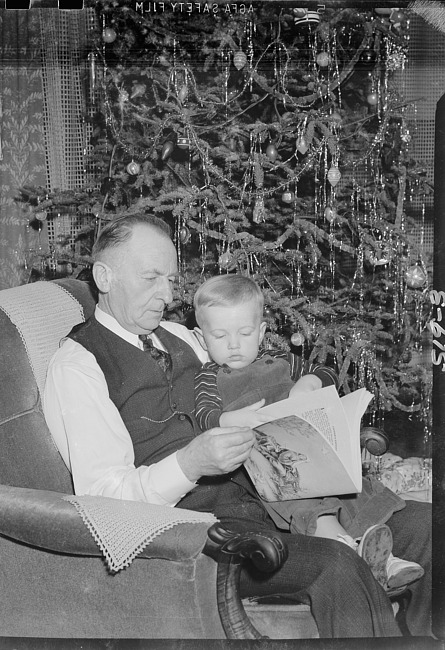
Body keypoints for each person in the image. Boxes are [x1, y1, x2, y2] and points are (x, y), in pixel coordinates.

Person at [44, 214, 432, 639]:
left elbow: (267, 370)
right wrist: (190, 463)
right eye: (152, 278)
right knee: (339, 564)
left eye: (171, 279)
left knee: (431, 529)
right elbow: (103, 500)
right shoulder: (78, 366)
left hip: (272, 495)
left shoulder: (180, 335)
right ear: (104, 276)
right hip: (200, 531)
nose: (167, 295)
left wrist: (309, 386)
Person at [192, 273, 424, 593]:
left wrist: (310, 382)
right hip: (273, 472)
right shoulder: (209, 377)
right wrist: (230, 419)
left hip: (314, 453)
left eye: (244, 333)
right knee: (308, 508)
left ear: (260, 333)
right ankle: (352, 552)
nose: (233, 344)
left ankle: (387, 559)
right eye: (219, 336)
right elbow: (204, 416)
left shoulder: (281, 361)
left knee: (355, 494)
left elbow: (326, 372)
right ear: (202, 340)